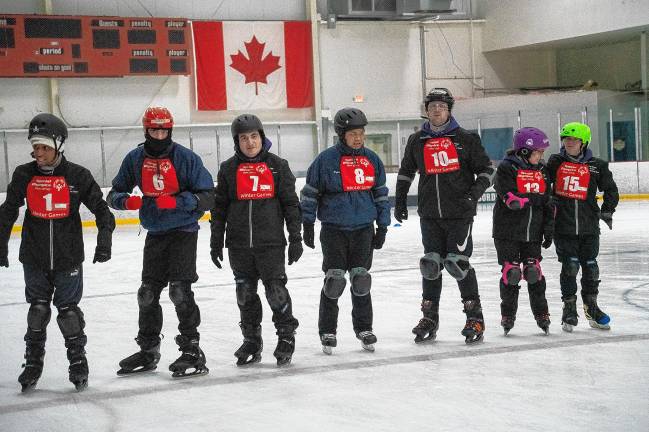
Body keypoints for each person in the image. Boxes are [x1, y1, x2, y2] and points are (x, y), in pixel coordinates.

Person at [0, 113, 115, 392]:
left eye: (44, 147)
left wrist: (104, 241)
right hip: (35, 257)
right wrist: (1, 244)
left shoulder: (77, 175)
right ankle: (32, 363)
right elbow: (7, 211)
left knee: (68, 312)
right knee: (37, 310)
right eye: (35, 147)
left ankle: (78, 362)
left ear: (58, 144)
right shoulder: (24, 174)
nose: (39, 153)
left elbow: (102, 211)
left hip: (68, 258)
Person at [108, 107, 214, 377]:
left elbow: (208, 196)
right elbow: (114, 193)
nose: (159, 135)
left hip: (184, 231)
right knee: (147, 293)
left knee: (179, 291)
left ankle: (191, 348)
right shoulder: (134, 159)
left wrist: (178, 202)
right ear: (146, 130)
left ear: (170, 130)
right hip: (156, 232)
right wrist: (125, 201)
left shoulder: (186, 158)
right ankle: (149, 349)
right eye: (154, 130)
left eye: (163, 130)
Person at [394, 88, 495, 344]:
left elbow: (486, 171)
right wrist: (401, 200)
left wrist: (473, 196)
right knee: (431, 265)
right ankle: (430, 317)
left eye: (441, 106)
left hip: (459, 214)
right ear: (426, 111)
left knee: (458, 263)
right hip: (429, 214)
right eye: (432, 106)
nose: (436, 110)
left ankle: (475, 317)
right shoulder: (417, 140)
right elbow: (406, 171)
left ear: (449, 110)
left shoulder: (466, 138)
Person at [210, 114, 302, 367]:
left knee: (275, 291)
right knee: (245, 293)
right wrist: (215, 242)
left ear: (261, 137)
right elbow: (219, 209)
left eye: (253, 136)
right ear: (236, 141)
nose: (249, 142)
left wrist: (296, 238)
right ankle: (252, 340)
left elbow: (291, 205)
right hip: (239, 245)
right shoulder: (228, 169)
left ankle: (286, 337)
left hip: (270, 244)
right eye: (243, 138)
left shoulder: (277, 166)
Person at [301, 107, 390, 354]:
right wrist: (307, 224)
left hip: (363, 229)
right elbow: (310, 194)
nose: (358, 138)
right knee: (335, 280)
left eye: (361, 133)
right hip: (334, 230)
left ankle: (364, 328)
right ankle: (327, 330)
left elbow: (381, 195)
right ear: (342, 135)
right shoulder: (326, 160)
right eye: (353, 133)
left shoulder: (372, 159)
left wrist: (382, 226)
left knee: (361, 279)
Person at [546, 122, 618, 332]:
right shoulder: (556, 162)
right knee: (570, 266)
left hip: (589, 226)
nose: (569, 142)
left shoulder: (597, 165)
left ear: (583, 142)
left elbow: (611, 190)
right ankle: (569, 308)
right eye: (566, 139)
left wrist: (607, 210)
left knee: (591, 267)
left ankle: (591, 307)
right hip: (564, 226)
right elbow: (542, 182)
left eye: (573, 139)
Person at [492, 127, 554, 335]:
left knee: (533, 272)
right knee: (512, 273)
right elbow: (513, 201)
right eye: (538, 151)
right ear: (525, 151)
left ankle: (542, 313)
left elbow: (548, 203)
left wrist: (548, 228)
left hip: (533, 232)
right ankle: (508, 314)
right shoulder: (506, 169)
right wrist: (537, 198)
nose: (541, 155)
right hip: (507, 232)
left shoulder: (542, 171)